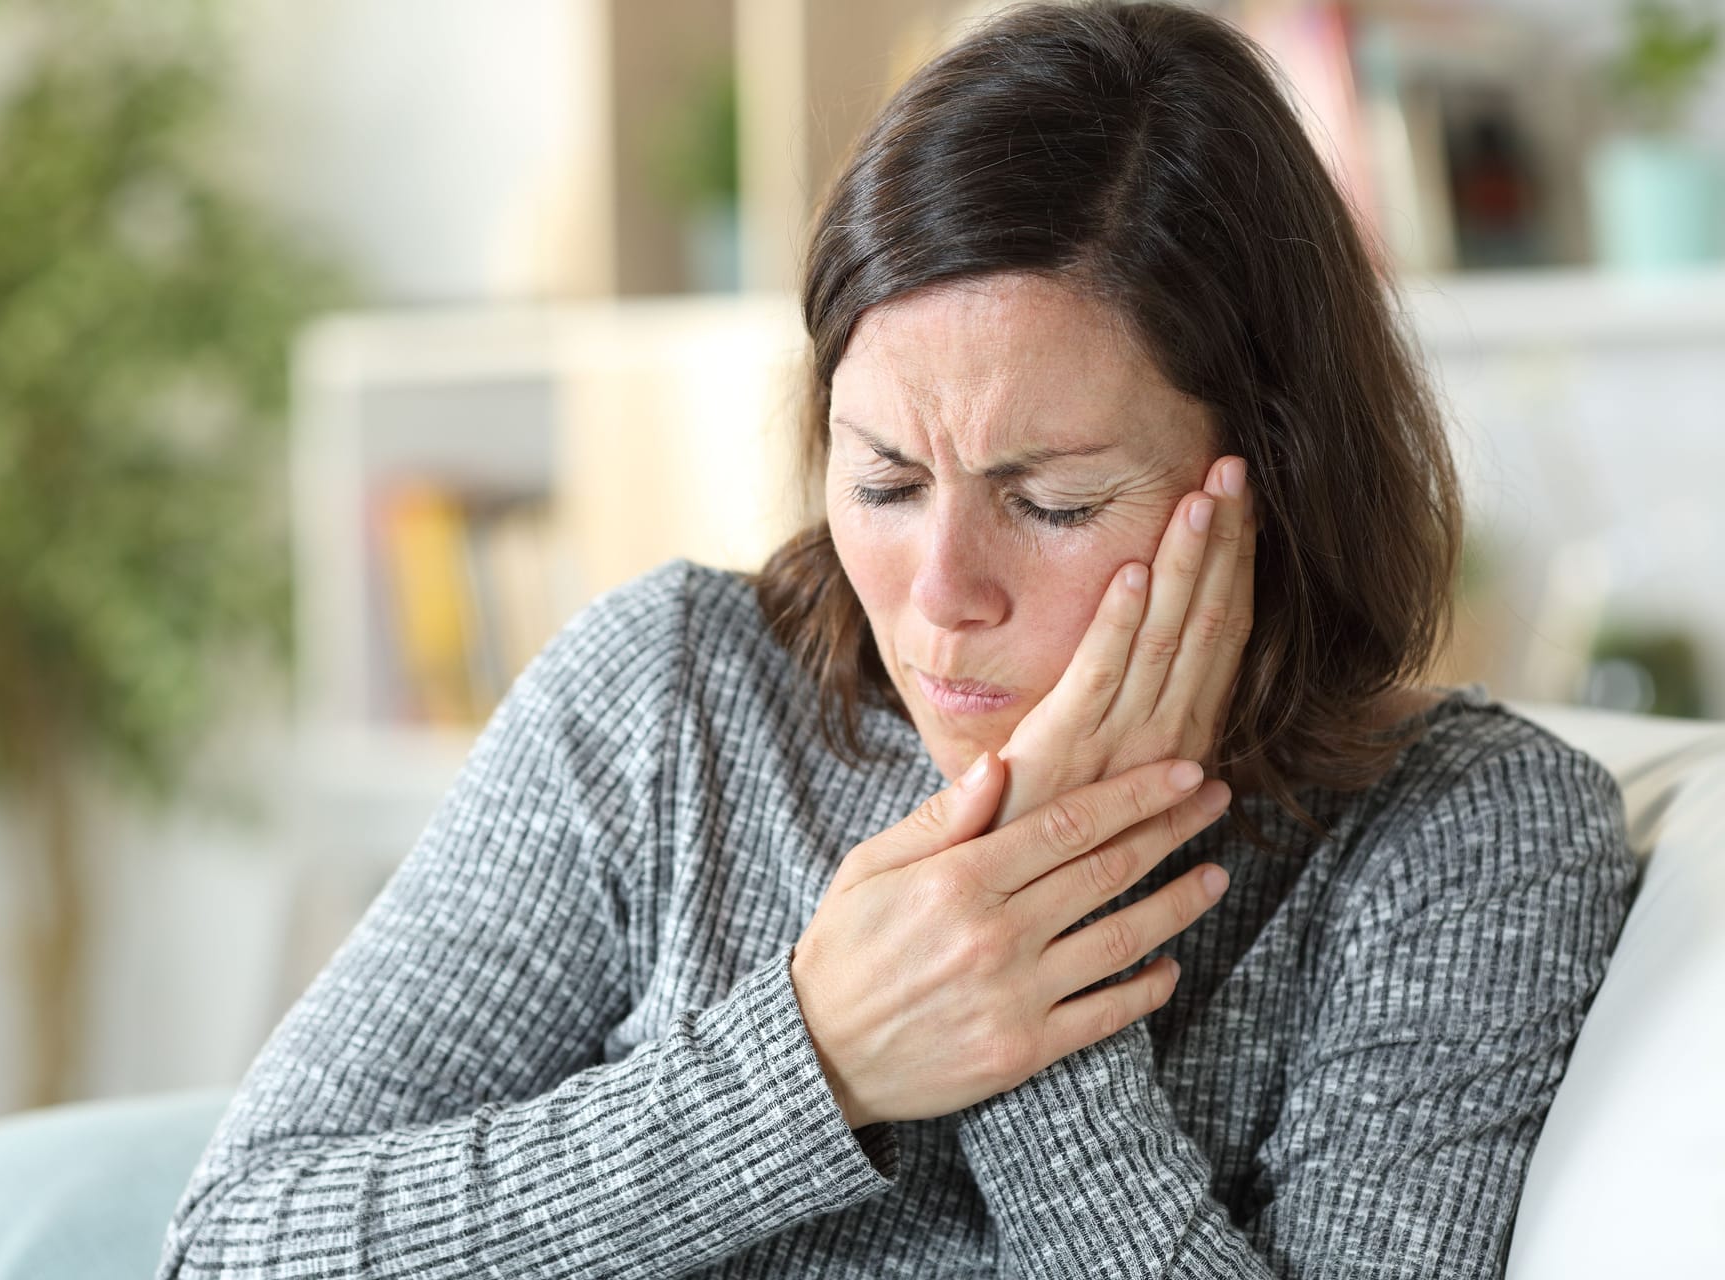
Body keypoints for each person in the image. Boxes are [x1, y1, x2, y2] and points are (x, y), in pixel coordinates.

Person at [158, 3, 1636, 1276]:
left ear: (1269, 483)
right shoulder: (671, 698)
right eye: (882, 481)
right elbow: (230, 1245)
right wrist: (813, 1062)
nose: (938, 591)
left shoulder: (1459, 843)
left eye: (1047, 502)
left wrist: (1026, 992)